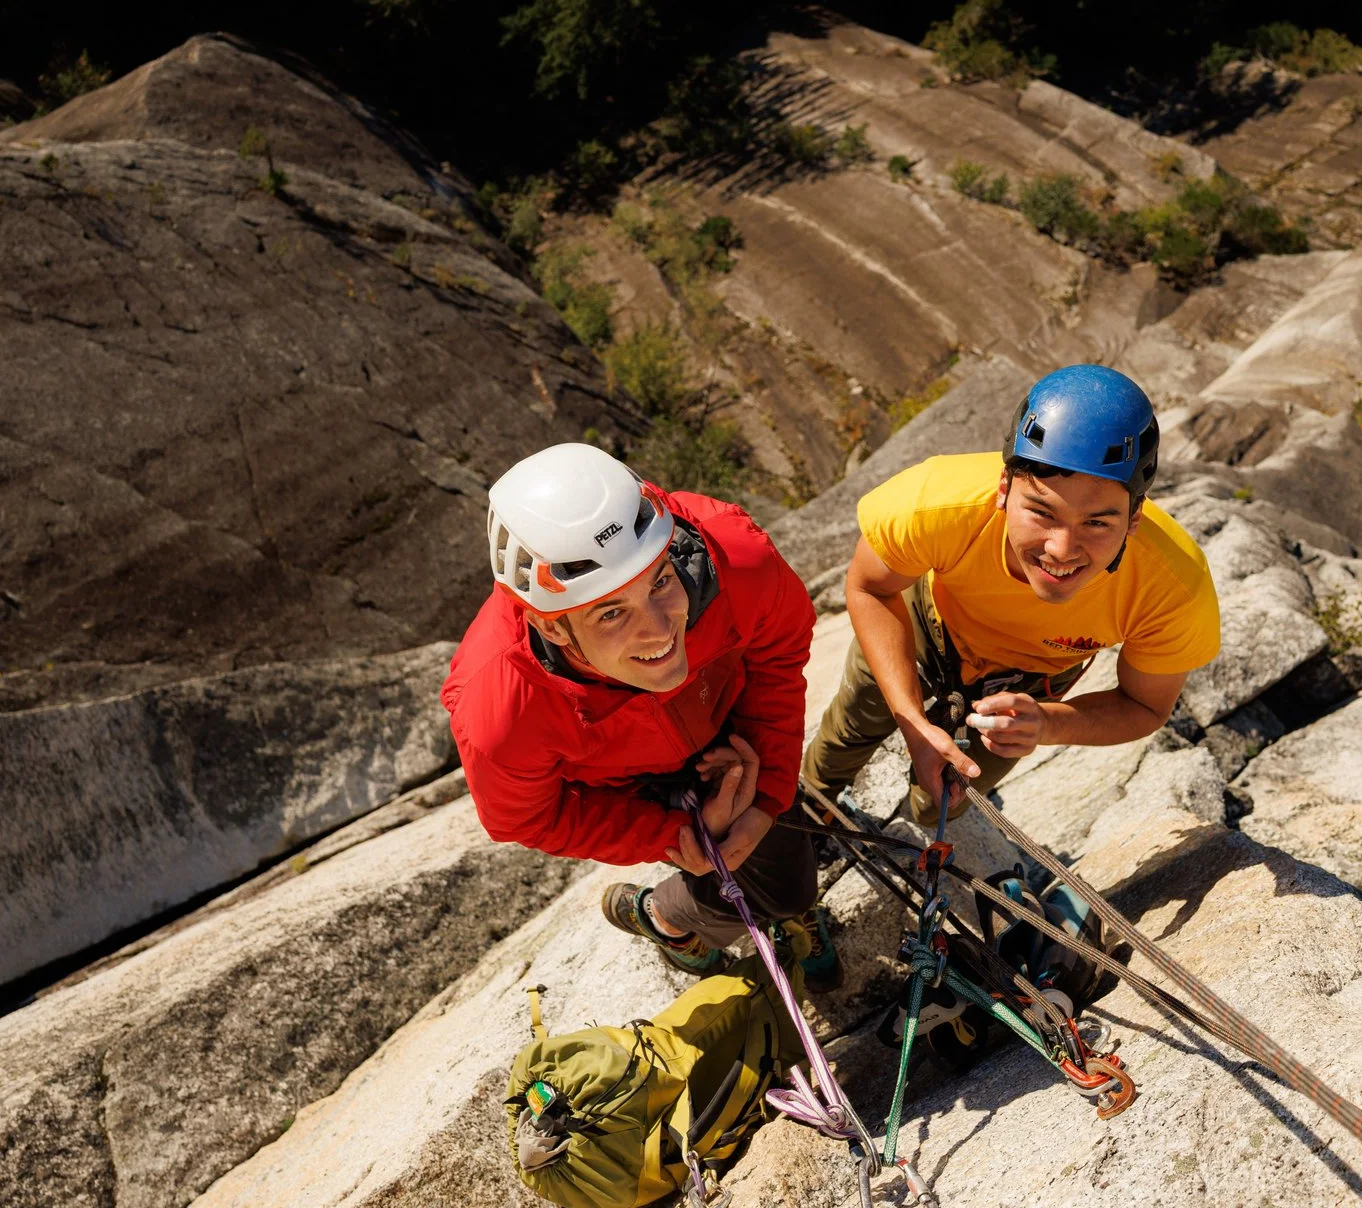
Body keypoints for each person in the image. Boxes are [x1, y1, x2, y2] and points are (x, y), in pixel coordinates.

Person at [443, 442, 834, 982]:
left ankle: (710, 909)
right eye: (610, 614)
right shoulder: (502, 710)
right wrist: (670, 834)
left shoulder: (736, 559)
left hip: (721, 719)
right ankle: (666, 915)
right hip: (628, 780)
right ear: (552, 627)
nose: (658, 629)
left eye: (661, 582)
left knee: (782, 849)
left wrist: (767, 788)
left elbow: (779, 655)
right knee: (786, 887)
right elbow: (525, 817)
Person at [802, 364, 1219, 823]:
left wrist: (1046, 723)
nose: (1061, 550)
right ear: (1003, 488)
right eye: (1041, 512)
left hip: (1031, 679)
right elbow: (870, 588)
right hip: (930, 621)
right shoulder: (937, 504)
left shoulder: (1172, 588)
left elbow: (1143, 704)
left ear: (1135, 518)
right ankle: (810, 807)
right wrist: (912, 720)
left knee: (941, 804)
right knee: (849, 733)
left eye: (1097, 523)